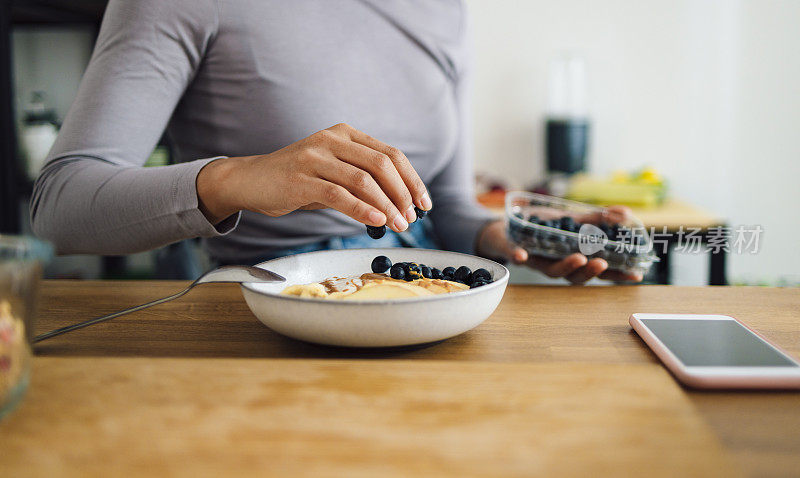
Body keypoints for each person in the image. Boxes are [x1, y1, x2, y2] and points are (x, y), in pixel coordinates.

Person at [30, 0, 641, 284]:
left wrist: (515, 234)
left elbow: (446, 210)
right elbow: (58, 208)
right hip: (271, 308)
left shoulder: (444, 11)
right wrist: (240, 179)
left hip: (433, 296)